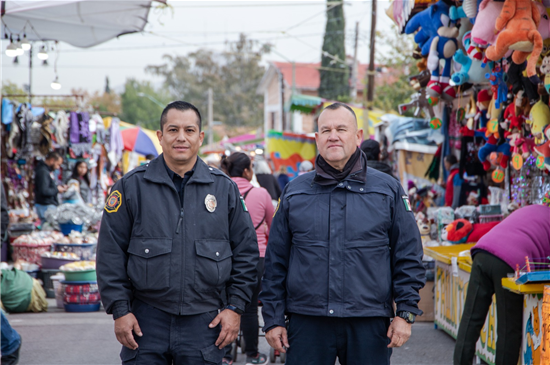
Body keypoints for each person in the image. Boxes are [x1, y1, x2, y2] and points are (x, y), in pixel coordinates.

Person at [260, 102, 425, 365]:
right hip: (307, 322)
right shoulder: (295, 191)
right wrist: (273, 319)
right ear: (317, 139)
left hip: (369, 322)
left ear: (358, 136)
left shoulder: (388, 190)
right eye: (325, 130)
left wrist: (404, 313)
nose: (333, 135)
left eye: (341, 129)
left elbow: (408, 254)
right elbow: (276, 262)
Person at [97, 101, 259, 365]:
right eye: (173, 130)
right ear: (161, 136)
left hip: (204, 322)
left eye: (189, 130)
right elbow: (110, 252)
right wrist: (120, 310)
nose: (181, 137)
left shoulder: (224, 189)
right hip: (145, 321)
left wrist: (235, 307)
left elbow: (246, 252)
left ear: (200, 137)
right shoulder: (131, 187)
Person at [454, 204, 550, 365]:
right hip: (511, 261)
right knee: (508, 329)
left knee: (471, 319)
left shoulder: (534, 208)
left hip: (483, 252)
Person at [220, 152, 273, 365]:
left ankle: (225, 355)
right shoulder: (261, 194)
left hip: (224, 258)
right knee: (250, 309)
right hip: (256, 258)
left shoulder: (219, 189)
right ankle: (252, 354)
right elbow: (273, 226)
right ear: (246, 171)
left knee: (224, 305)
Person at [34, 151, 67, 220]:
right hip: (45, 206)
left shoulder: (47, 171)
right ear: (52, 160)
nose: (58, 167)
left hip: (47, 206)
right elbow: (44, 191)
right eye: (58, 164)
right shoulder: (43, 171)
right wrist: (57, 189)